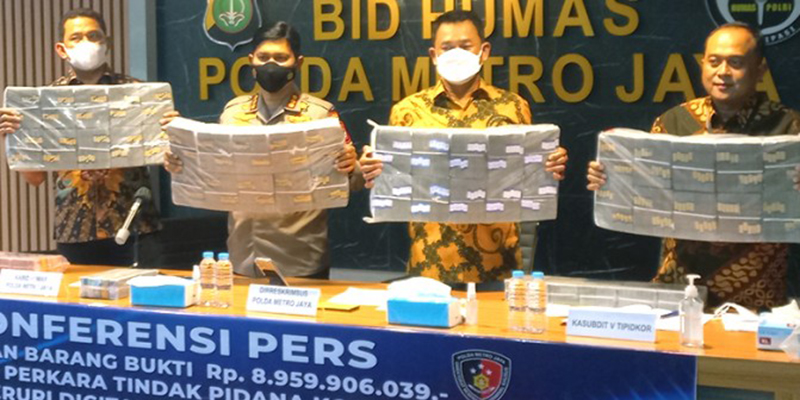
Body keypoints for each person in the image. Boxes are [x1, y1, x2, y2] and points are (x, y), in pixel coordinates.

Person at [587, 22, 800, 309]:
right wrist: (610, 181)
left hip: (757, 299)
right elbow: (645, 196)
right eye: (714, 61)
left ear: (760, 69)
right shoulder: (675, 122)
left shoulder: (789, 128)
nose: (722, 71)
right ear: (703, 65)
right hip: (677, 290)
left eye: (736, 63)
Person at [358, 10, 568, 284]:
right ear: (434, 55)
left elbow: (528, 174)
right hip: (428, 263)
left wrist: (550, 164)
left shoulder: (513, 107)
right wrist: (372, 168)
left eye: (465, 46)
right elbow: (392, 180)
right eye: (447, 48)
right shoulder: (407, 111)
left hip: (500, 264)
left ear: (484, 51)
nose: (456, 54)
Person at [166, 21, 361, 279]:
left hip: (299, 257)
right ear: (251, 61)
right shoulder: (233, 113)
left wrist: (351, 166)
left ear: (298, 63)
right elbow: (213, 173)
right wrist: (180, 161)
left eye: (280, 58)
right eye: (263, 57)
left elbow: (355, 181)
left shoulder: (320, 114)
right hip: (241, 255)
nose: (271, 64)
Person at [0, 8, 179, 266]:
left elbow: (169, 159)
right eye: (76, 37)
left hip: (136, 227)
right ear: (62, 49)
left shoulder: (139, 93)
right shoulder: (43, 102)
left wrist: (175, 133)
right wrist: (13, 138)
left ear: (107, 43)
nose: (86, 42)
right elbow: (35, 178)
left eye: (94, 36)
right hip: (74, 229)